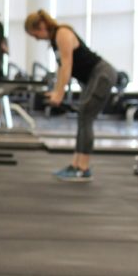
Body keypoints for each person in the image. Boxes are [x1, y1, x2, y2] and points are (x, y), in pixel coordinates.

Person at [25, 10, 117, 182]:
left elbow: (67, 66)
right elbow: (61, 69)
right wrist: (56, 90)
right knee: (83, 116)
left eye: (35, 34)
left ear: (41, 26)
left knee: (86, 115)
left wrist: (59, 94)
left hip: (102, 74)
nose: (36, 38)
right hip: (92, 78)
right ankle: (76, 165)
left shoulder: (62, 33)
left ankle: (83, 167)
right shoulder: (55, 40)